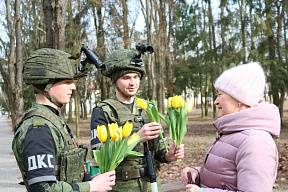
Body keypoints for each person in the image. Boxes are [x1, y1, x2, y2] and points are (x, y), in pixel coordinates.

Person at [12, 48, 116, 192]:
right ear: (46, 84)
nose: (73, 87)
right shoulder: (39, 129)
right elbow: (43, 188)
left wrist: (89, 179)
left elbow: (63, 173)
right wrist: (90, 187)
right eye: (67, 82)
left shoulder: (53, 120)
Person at [91, 48, 185, 191]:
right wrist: (136, 138)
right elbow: (100, 154)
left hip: (151, 184)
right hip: (121, 187)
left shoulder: (148, 108)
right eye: (126, 78)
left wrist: (169, 155)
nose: (132, 82)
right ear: (115, 80)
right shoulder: (103, 111)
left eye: (136, 77)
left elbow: (159, 149)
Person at [181, 62, 280, 192]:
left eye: (220, 94)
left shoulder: (256, 142)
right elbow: (226, 175)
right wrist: (198, 174)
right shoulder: (232, 132)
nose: (215, 101)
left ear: (239, 99)